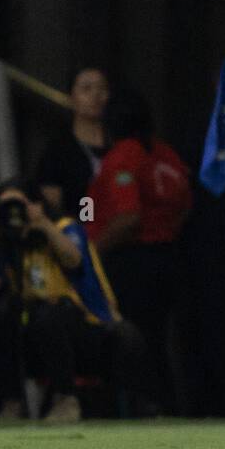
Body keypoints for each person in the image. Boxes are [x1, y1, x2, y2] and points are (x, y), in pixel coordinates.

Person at [0, 180, 145, 421]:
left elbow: (73, 259)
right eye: (6, 207)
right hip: (39, 335)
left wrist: (42, 224)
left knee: (49, 313)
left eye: (19, 206)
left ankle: (66, 399)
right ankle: (12, 403)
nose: (14, 213)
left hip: (89, 326)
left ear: (36, 205)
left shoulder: (65, 227)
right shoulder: (8, 243)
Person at [85, 86, 192, 411]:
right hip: (169, 256)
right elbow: (186, 204)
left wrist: (93, 254)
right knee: (159, 338)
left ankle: (143, 405)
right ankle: (164, 403)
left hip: (134, 260)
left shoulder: (124, 155)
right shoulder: (167, 156)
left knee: (135, 338)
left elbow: (128, 216)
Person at [36, 65, 110, 218]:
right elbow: (51, 207)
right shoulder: (58, 151)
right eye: (86, 89)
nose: (95, 95)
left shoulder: (119, 145)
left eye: (102, 88)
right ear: (71, 97)